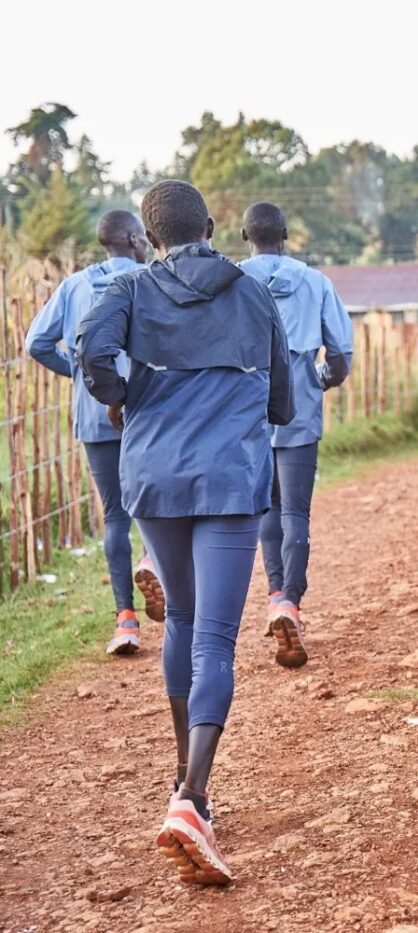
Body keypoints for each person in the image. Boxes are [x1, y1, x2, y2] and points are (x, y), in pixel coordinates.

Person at [77, 180, 292, 885]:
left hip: (154, 474)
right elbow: (282, 398)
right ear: (209, 224)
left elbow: (90, 349)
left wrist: (124, 397)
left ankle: (181, 780)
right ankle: (194, 798)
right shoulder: (253, 290)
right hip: (229, 473)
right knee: (216, 639)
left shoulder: (129, 290)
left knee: (182, 624)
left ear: (151, 234)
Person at [24, 211, 167, 655]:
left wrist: (81, 373)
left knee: (113, 513)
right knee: (154, 501)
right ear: (130, 239)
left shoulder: (73, 286)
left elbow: (35, 343)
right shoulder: (152, 280)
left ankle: (125, 620)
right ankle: (153, 562)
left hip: (94, 411)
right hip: (147, 408)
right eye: (142, 237)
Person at [239, 202, 354, 668]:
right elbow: (341, 351)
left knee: (266, 505)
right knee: (297, 511)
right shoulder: (315, 281)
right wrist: (322, 378)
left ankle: (273, 597)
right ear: (286, 234)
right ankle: (292, 601)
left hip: (247, 409)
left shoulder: (232, 280)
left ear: (244, 235)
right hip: (301, 406)